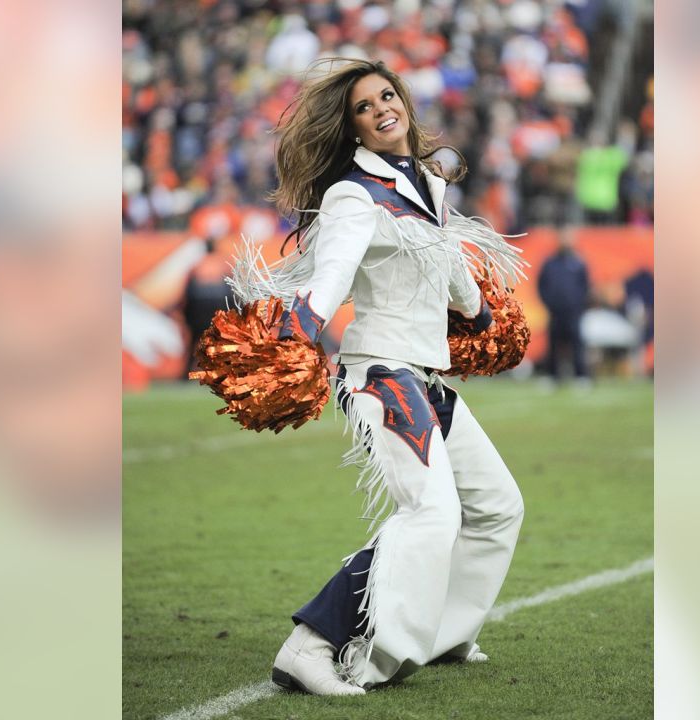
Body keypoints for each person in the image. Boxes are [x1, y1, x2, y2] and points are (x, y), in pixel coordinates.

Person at [230, 59, 526, 696]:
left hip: (428, 378)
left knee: (498, 507)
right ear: (354, 127)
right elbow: (332, 273)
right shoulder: (352, 194)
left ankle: (443, 632)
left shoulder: (429, 184)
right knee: (430, 513)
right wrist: (301, 323)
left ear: (405, 102)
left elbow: (445, 263)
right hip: (381, 376)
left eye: (386, 95)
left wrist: (481, 312)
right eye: (364, 107)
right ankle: (310, 646)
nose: (380, 109)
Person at [537, 227, 593, 382]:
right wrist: (549, 302)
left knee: (577, 344)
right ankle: (552, 376)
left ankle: (580, 376)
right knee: (553, 344)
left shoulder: (578, 262)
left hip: (573, 312)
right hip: (555, 311)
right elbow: (541, 285)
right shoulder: (550, 263)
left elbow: (585, 286)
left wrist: (578, 304)